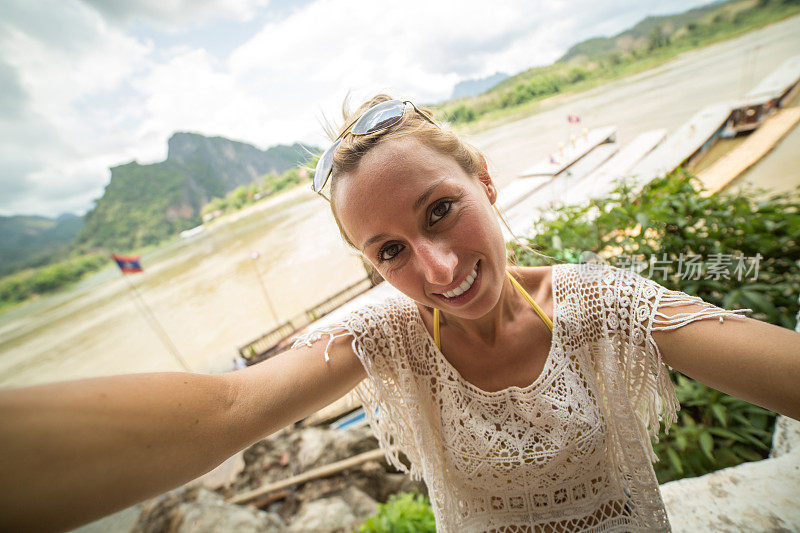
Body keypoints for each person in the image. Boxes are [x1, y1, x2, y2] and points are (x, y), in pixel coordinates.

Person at [1, 95, 798, 532]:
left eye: (441, 210)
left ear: (485, 180)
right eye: (390, 251)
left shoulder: (599, 304)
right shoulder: (387, 336)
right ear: (369, 266)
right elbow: (230, 407)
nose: (438, 268)